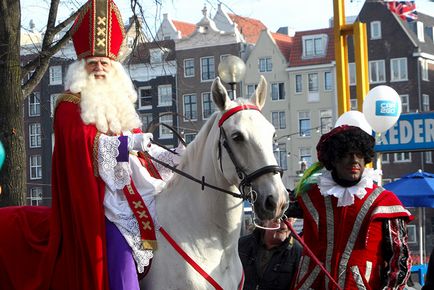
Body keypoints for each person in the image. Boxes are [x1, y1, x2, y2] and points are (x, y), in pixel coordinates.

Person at [0, 0, 182, 289]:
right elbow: (87, 150)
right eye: (92, 62)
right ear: (81, 66)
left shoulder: (120, 105)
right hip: (100, 208)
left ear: (115, 67)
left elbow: (138, 155)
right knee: (121, 258)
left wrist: (174, 158)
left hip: (137, 202)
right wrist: (127, 143)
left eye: (105, 63)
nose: (99, 68)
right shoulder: (69, 105)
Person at [289, 125, 413, 289]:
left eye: (359, 154)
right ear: (333, 159)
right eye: (346, 154)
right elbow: (273, 207)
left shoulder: (384, 201)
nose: (354, 160)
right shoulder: (310, 196)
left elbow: (399, 258)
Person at [238, 213, 302, 290]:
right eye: (278, 219)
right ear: (264, 221)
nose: (284, 225)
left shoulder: (298, 253)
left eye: (289, 219)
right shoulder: (241, 245)